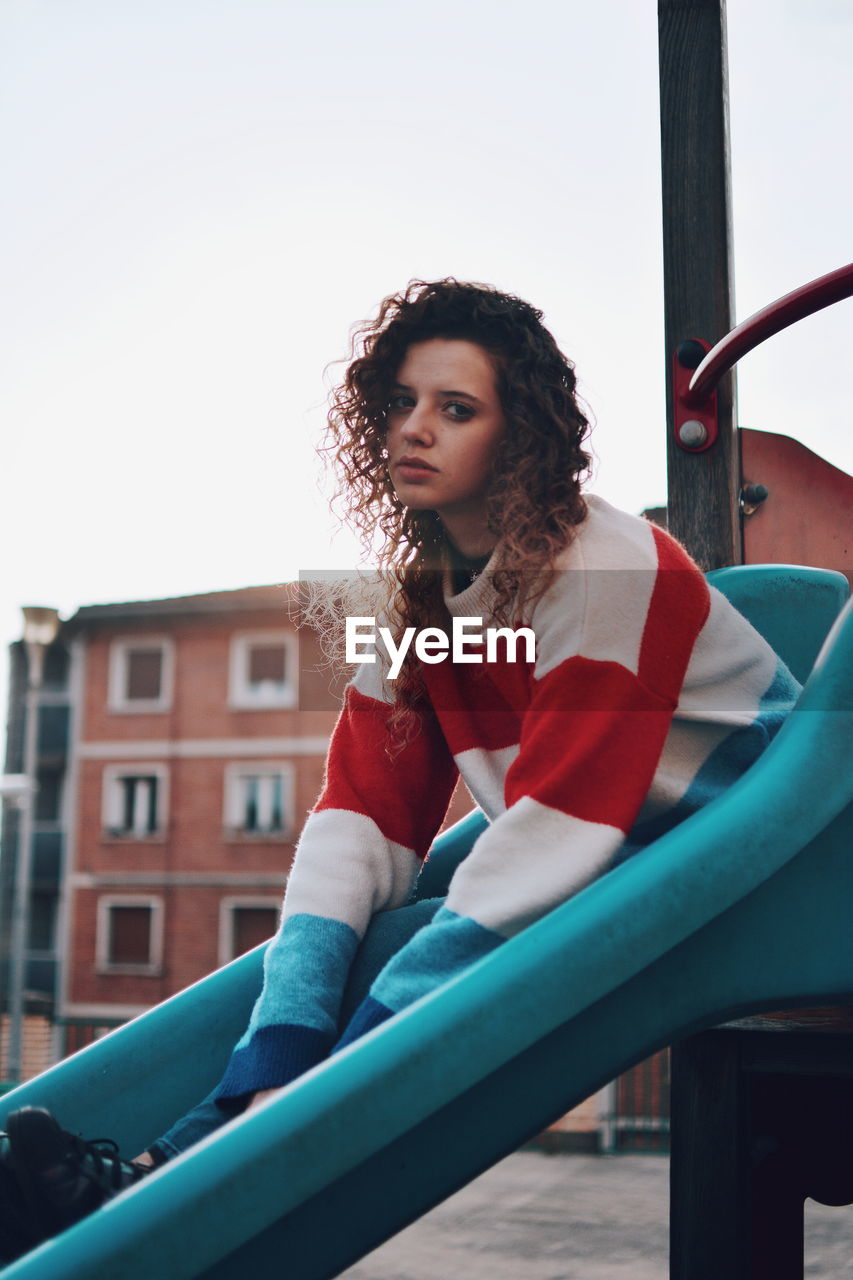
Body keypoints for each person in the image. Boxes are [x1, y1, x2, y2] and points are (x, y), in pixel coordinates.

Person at [0, 279, 800, 1259]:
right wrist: (282, 1038)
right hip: (609, 857)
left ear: (522, 438)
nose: (414, 429)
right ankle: (154, 1171)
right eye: (400, 403)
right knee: (386, 933)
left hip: (763, 850)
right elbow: (357, 825)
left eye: (455, 408)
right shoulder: (414, 604)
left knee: (410, 961)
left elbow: (560, 826)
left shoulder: (609, 565)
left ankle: (162, 1171)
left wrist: (334, 1073)